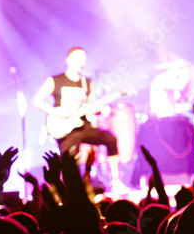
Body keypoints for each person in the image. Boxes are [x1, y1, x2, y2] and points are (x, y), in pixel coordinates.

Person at [32, 47, 125, 192]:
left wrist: (99, 109)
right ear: (68, 60)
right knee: (69, 161)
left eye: (84, 59)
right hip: (63, 128)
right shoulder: (55, 81)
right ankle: (66, 192)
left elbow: (90, 106)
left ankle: (115, 181)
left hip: (82, 125)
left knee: (110, 139)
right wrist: (55, 111)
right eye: (78, 58)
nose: (82, 62)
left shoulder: (87, 83)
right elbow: (37, 101)